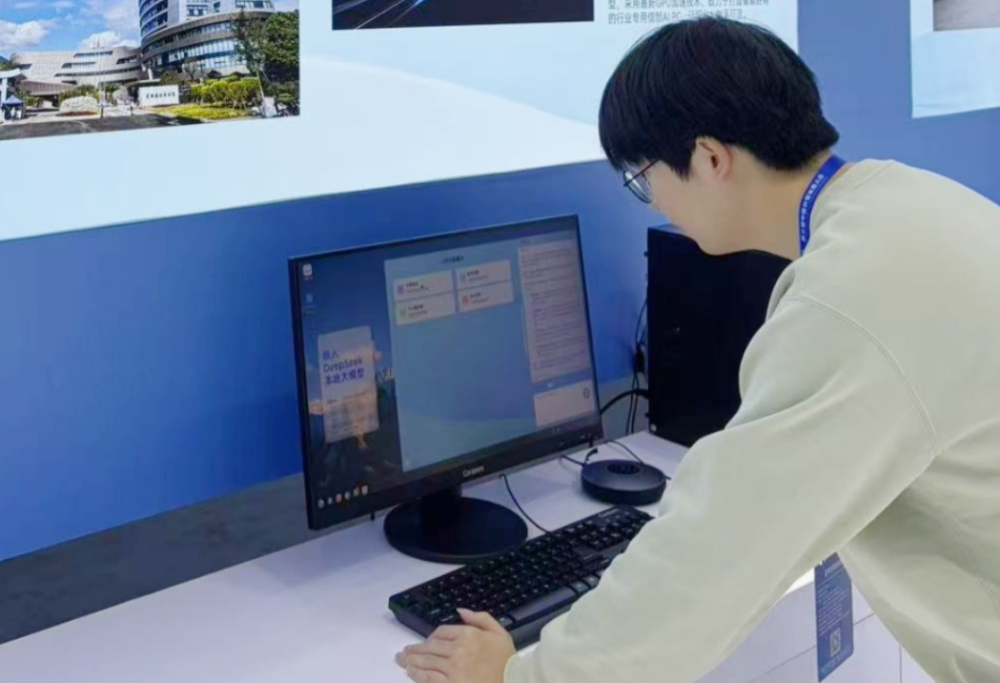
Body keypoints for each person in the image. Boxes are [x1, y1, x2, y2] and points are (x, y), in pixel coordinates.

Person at [395, 16, 1000, 683]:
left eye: (644, 176)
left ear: (710, 159)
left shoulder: (851, 300)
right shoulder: (906, 201)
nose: (652, 199)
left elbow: (719, 554)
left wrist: (519, 674)